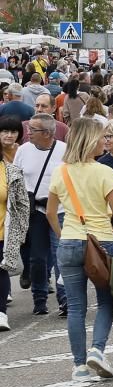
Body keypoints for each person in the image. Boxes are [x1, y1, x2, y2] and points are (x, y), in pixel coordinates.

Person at [49, 117, 113, 382]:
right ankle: (97, 349)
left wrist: (64, 236)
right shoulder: (105, 172)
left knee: (76, 307)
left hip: (70, 239)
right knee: (106, 301)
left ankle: (79, 366)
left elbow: (50, 213)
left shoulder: (61, 171)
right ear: (90, 140)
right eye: (102, 137)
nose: (104, 141)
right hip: (102, 241)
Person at [15, 113, 65, 316]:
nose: (28, 133)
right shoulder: (23, 150)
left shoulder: (64, 150)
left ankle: (65, 299)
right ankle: (39, 299)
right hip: (34, 212)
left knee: (61, 255)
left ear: (47, 133)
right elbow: (15, 178)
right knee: (37, 258)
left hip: (60, 211)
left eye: (32, 130)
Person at [0, 115, 30, 330]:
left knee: (1, 270)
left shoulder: (18, 158)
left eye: (13, 131)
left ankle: (1, 312)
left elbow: (20, 202)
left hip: (5, 227)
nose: (9, 135)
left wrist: (20, 229)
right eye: (4, 131)